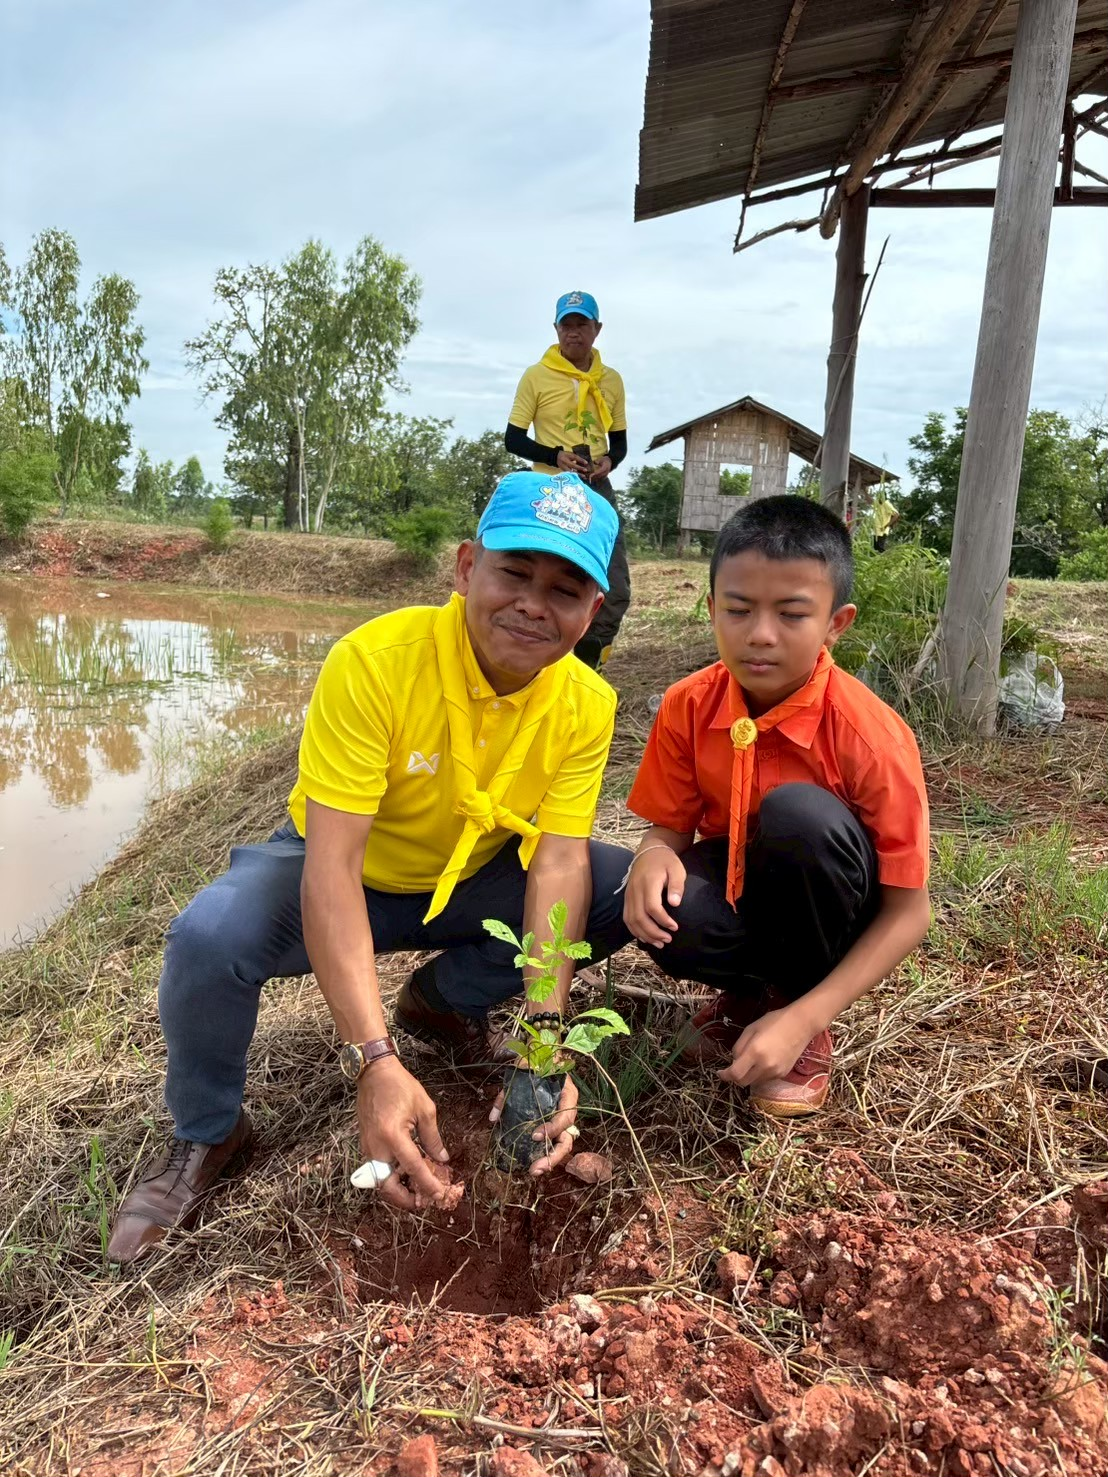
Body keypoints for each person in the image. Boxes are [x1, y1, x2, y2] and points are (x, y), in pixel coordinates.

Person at [107, 471, 634, 1263]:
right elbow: (331, 866)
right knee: (210, 937)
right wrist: (374, 1060)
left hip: (468, 878)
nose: (533, 603)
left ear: (592, 611)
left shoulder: (586, 704)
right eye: (513, 573)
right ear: (465, 569)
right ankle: (209, 1132)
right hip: (345, 873)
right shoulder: (375, 662)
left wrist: (543, 1044)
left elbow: (556, 862)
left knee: (613, 886)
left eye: (564, 588)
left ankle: (441, 999)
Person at [622, 495, 930, 1118]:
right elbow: (670, 830)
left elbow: (909, 914)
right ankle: (747, 996)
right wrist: (650, 856)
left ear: (836, 623)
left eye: (792, 614)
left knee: (798, 818)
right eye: (738, 610)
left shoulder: (870, 734)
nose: (760, 634)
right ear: (711, 609)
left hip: (838, 908)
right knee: (651, 902)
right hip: (748, 881)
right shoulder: (688, 705)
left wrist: (804, 1014)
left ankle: (798, 1013)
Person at [506, 290, 631, 671]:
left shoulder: (610, 381)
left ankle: (586, 664)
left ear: (597, 329)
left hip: (595, 489)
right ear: (556, 328)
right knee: (547, 578)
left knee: (615, 586)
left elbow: (620, 443)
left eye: (582, 324)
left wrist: (609, 461)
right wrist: (554, 456)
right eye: (566, 324)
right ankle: (534, 663)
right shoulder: (536, 376)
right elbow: (513, 438)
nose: (573, 332)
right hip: (549, 488)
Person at [871, 482, 899, 552]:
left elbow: (896, 515)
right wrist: (865, 491)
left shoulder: (886, 504)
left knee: (880, 550)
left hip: (882, 531)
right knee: (876, 549)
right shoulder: (879, 504)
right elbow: (870, 501)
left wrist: (886, 526)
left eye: (879, 496)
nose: (877, 498)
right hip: (876, 531)